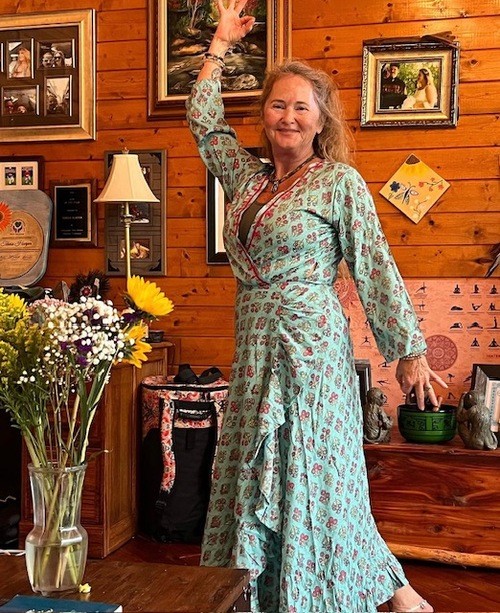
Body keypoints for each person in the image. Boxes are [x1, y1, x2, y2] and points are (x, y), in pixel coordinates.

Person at [186, 1, 447, 611]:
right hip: (256, 346)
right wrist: (220, 44)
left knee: (320, 478)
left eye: (301, 107)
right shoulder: (247, 177)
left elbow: (374, 264)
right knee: (255, 469)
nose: (288, 116)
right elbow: (203, 121)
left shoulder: (338, 183)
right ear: (264, 114)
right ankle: (260, 591)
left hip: (311, 352)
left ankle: (372, 592)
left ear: (320, 118)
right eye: (278, 104)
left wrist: (408, 351)